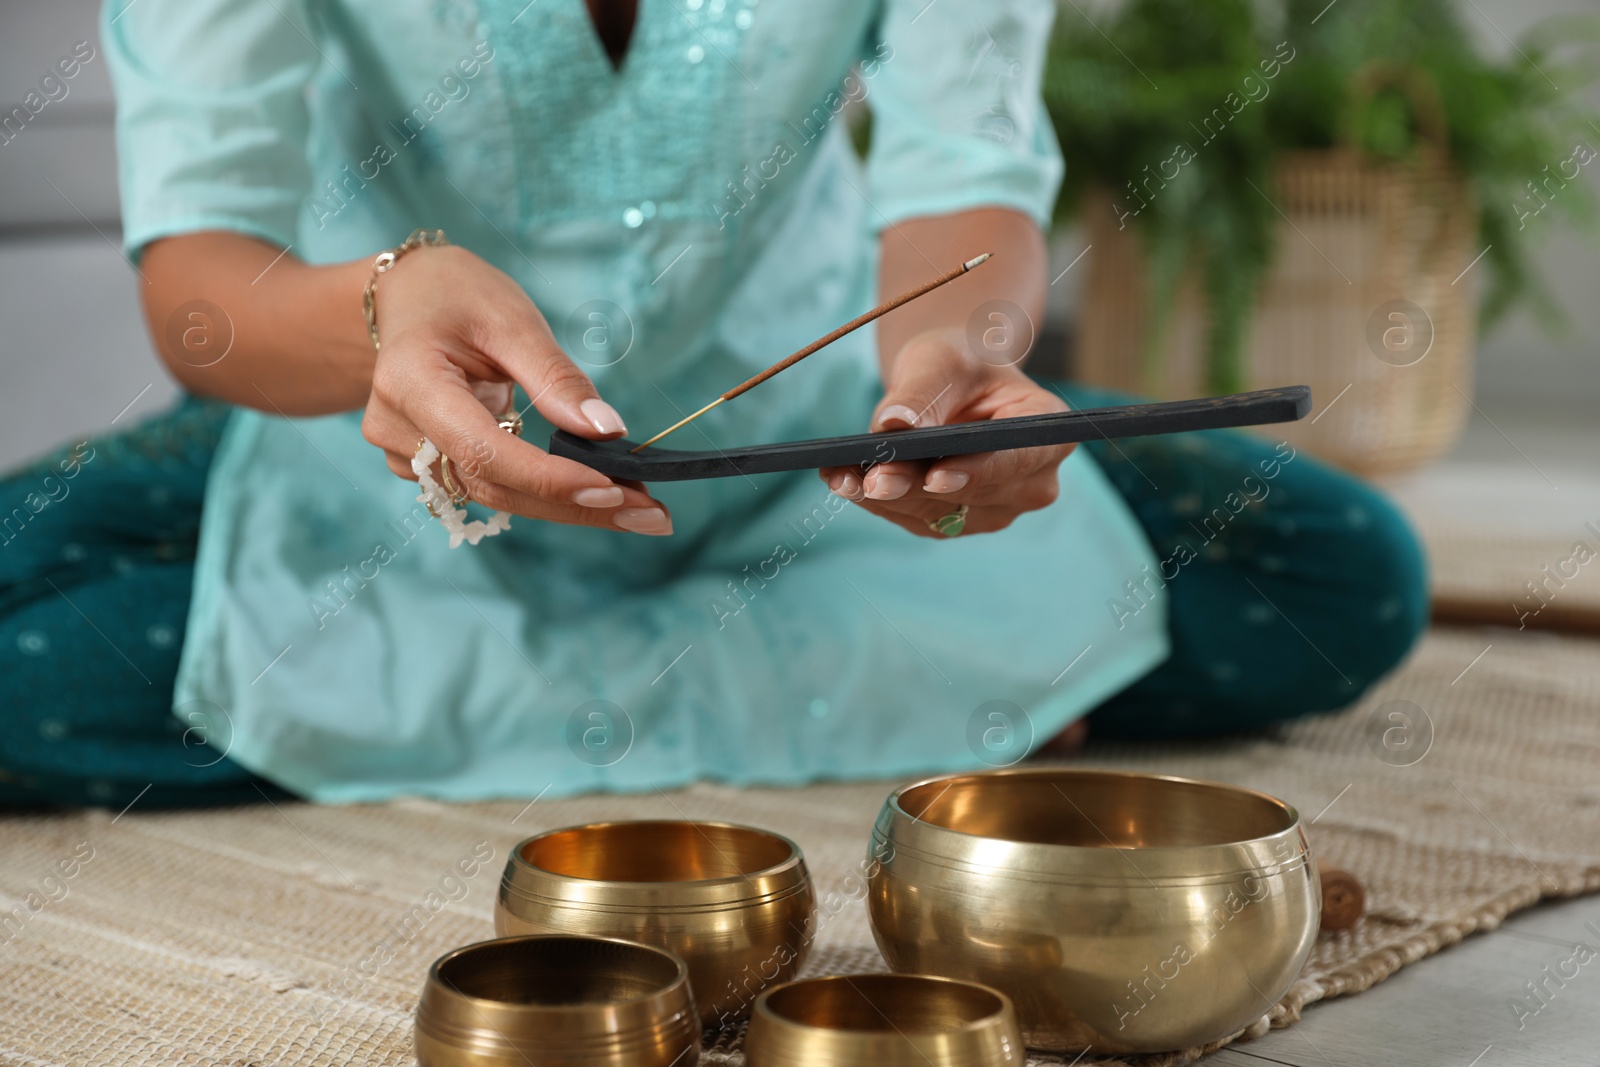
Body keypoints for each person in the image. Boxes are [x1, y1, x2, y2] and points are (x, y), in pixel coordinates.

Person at [0, 0, 1426, 808]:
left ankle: (401, 718)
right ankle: (931, 695)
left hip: (820, 470)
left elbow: (958, 172)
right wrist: (386, 304)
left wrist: (948, 373)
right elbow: (205, 289)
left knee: (1343, 574)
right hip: (384, 457)